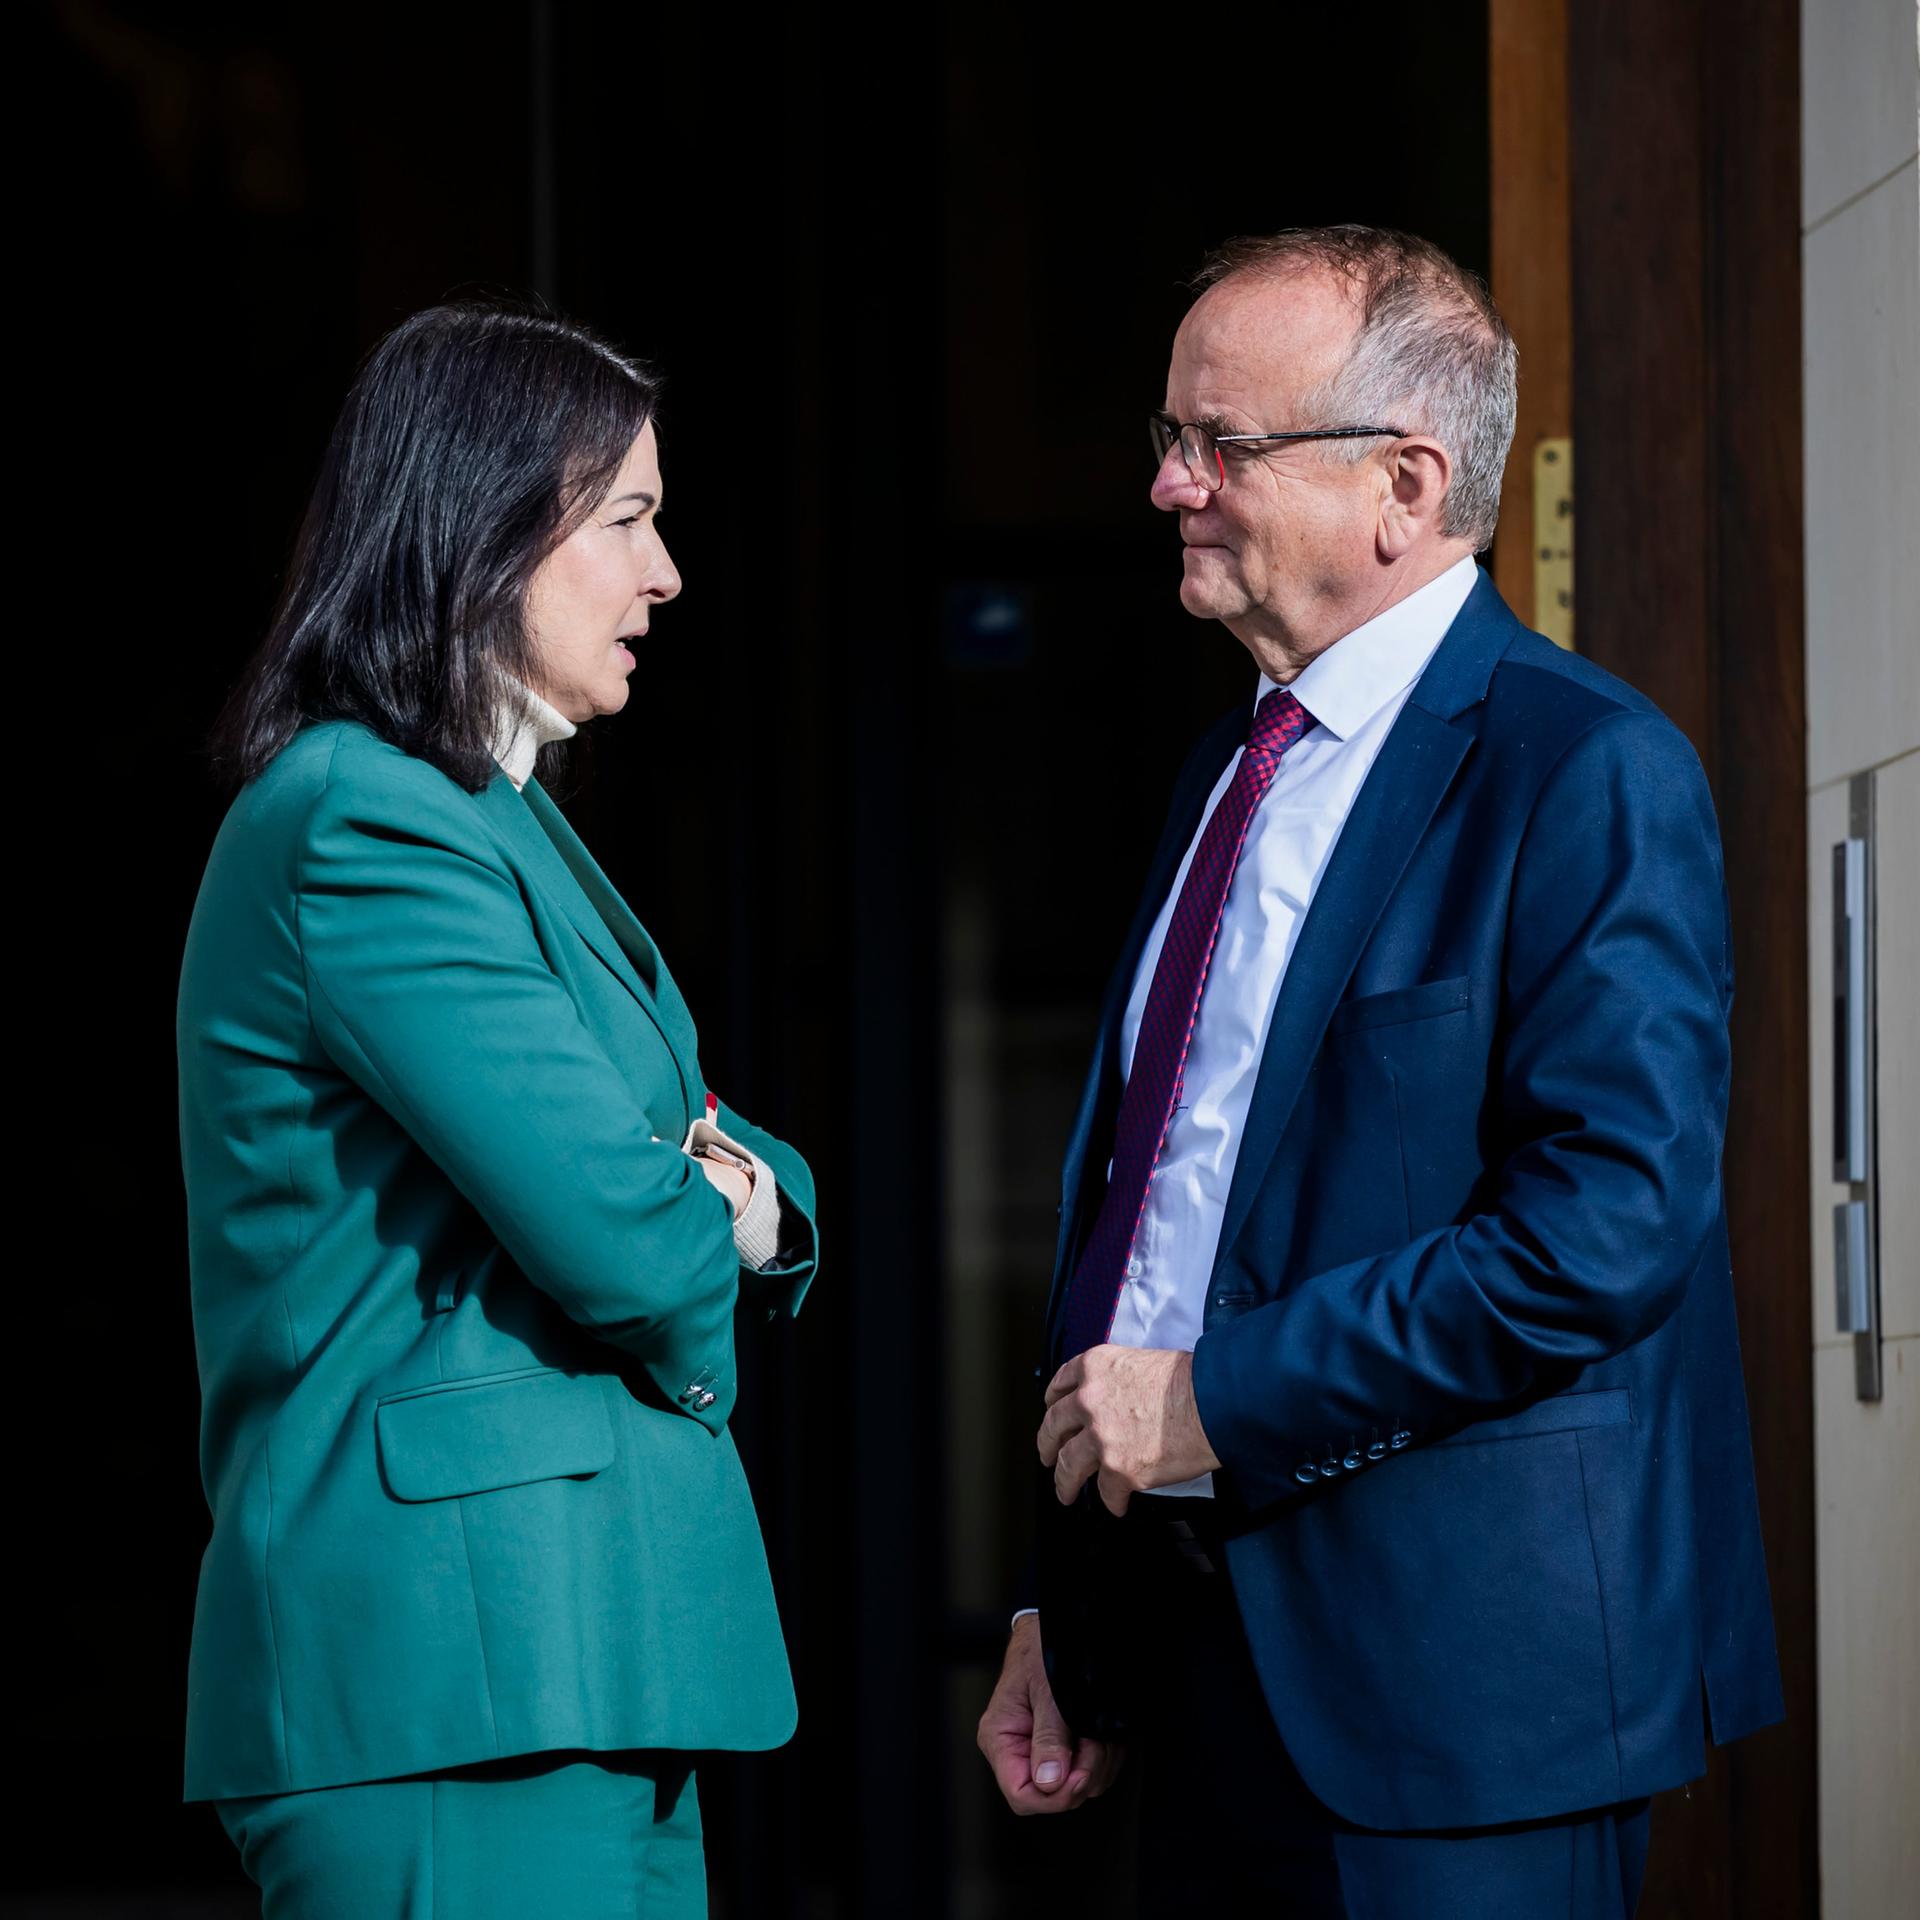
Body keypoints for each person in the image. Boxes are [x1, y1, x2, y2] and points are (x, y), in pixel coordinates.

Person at [976, 226, 1782, 1917]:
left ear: (1403, 487)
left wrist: (1215, 1402)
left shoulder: (1589, 771)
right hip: (1195, 1670)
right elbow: (1161, 1210)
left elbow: (1600, 1237)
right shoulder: (1226, 769)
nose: (1170, 487)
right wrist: (1074, 1605)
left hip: (1466, 1702)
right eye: (1168, 439)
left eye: (1223, 446)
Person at [178, 302, 817, 1917]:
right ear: (479, 526)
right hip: (454, 1687)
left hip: (559, 1673)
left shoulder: (479, 811)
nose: (666, 575)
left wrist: (730, 1193)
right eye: (627, 522)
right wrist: (715, 1212)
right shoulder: (364, 822)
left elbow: (682, 1146)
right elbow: (618, 1229)